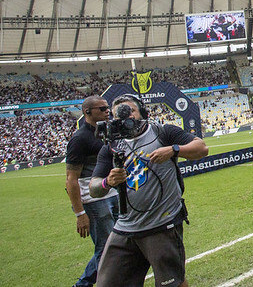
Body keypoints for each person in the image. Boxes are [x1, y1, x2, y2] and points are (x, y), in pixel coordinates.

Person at [89, 94, 208, 287]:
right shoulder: (110, 147)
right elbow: (93, 189)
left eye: (130, 112)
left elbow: (201, 148)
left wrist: (173, 150)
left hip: (161, 224)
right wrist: (107, 182)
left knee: (172, 284)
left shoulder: (163, 132)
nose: (124, 119)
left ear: (143, 113)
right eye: (118, 116)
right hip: (125, 228)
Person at [65, 95, 120, 287]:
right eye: (102, 109)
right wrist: (80, 213)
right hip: (94, 200)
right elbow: (71, 179)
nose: (107, 112)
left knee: (119, 242)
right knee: (106, 248)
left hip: (113, 193)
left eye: (107, 108)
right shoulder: (79, 139)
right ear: (87, 112)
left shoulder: (109, 131)